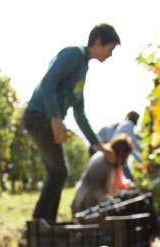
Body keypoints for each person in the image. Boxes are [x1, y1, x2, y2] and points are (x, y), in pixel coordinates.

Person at [22, 23, 120, 235]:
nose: (110, 55)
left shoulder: (82, 69)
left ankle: (44, 226)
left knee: (57, 172)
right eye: (110, 49)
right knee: (59, 171)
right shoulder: (74, 54)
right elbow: (49, 81)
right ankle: (37, 228)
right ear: (98, 42)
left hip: (46, 118)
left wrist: (99, 146)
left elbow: (79, 113)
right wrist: (55, 119)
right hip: (39, 116)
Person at [71, 133, 135, 217]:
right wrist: (110, 204)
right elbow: (96, 189)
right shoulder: (101, 163)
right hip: (85, 204)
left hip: (91, 204)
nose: (124, 161)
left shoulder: (110, 163)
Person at [112, 111, 142, 181]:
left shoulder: (125, 123)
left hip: (117, 152)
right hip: (119, 153)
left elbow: (134, 137)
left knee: (122, 174)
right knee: (127, 176)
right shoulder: (129, 124)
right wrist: (142, 150)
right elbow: (133, 142)